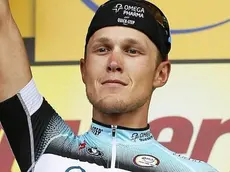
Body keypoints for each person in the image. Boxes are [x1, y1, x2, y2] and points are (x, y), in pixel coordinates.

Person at [0, 0, 218, 171]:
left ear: (161, 74)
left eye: (132, 51)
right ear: (84, 69)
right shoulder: (45, 143)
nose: (114, 63)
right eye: (102, 49)